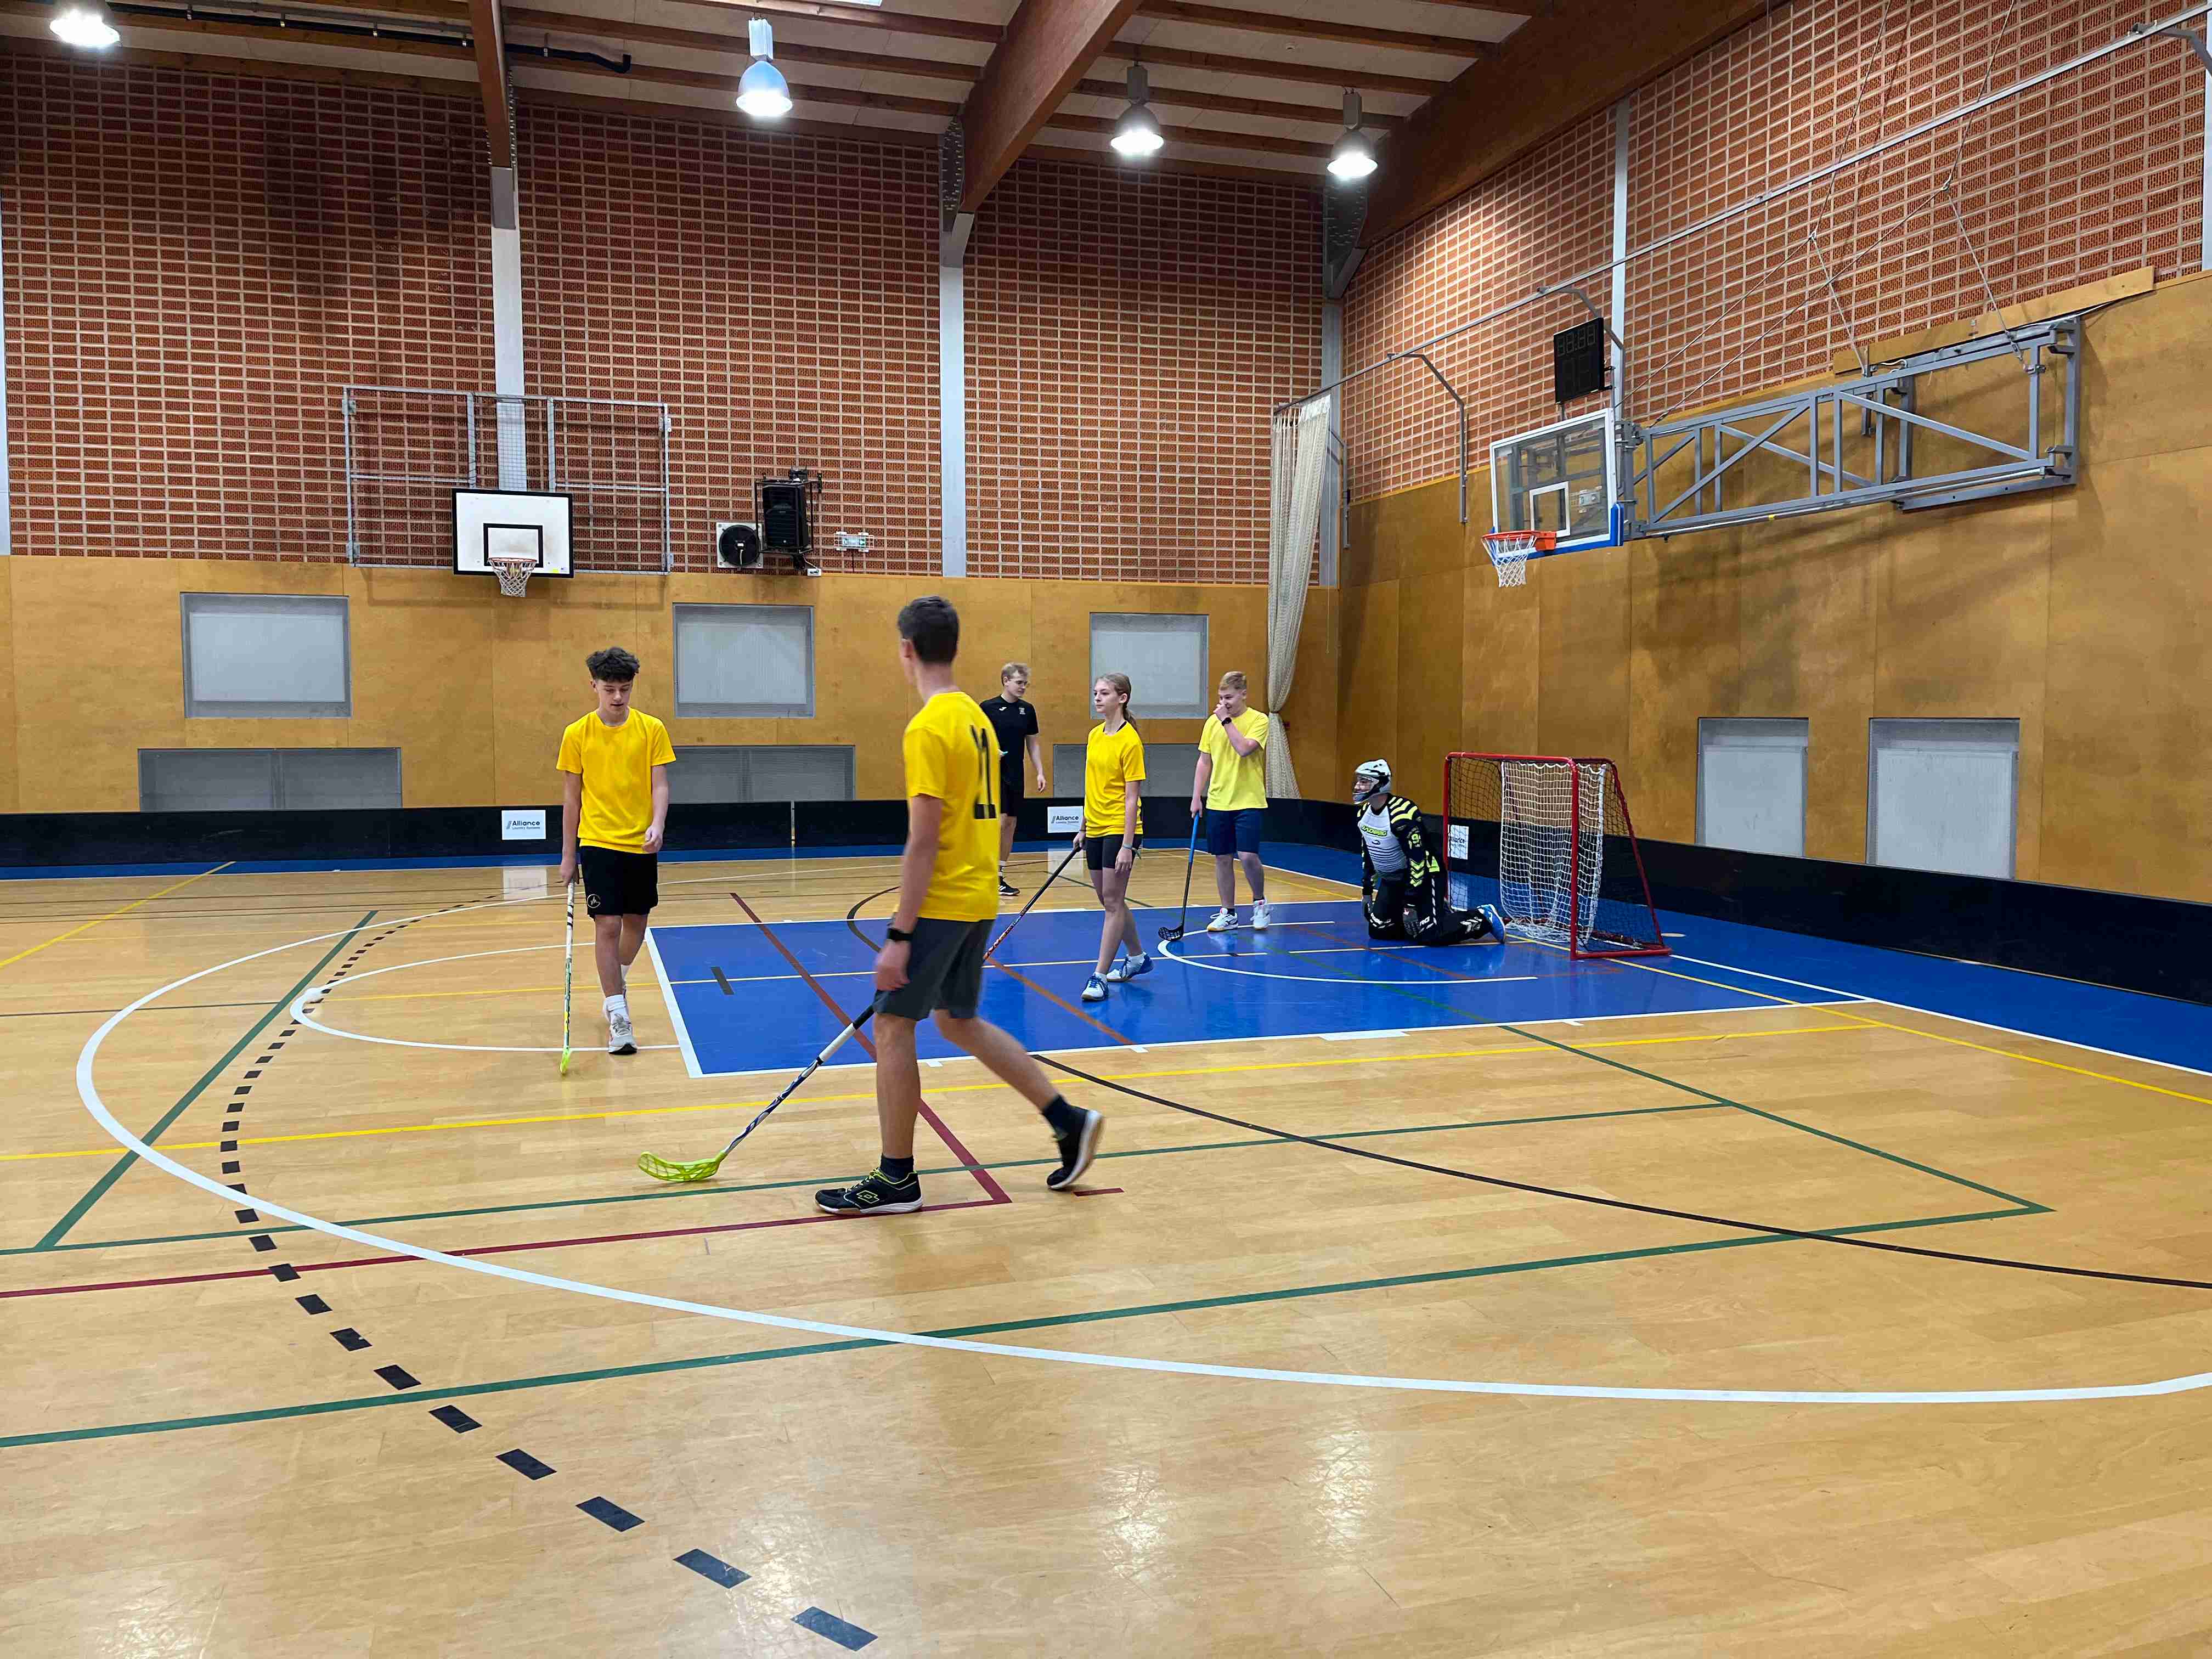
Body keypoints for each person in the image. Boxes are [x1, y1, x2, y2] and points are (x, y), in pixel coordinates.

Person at [815, 596, 1104, 1216]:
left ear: (906, 649)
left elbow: (923, 840)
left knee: (893, 1026)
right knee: (957, 1021)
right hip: (978, 896)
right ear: (955, 646)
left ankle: (896, 1178)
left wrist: (899, 935)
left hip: (944, 899)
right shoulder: (976, 717)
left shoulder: (928, 727)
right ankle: (1067, 1120)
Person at [556, 646, 674, 1056]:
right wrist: (568, 855)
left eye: (625, 689)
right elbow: (572, 799)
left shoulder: (651, 729)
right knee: (607, 925)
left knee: (636, 924)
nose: (618, 697)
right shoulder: (577, 734)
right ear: (594, 686)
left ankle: (615, 982)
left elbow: (660, 783)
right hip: (598, 842)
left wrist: (658, 823)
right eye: (610, 689)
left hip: (640, 843)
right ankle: (619, 1016)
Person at [1351, 758, 1505, 947]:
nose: (1357, 786)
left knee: (1431, 935)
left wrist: (1410, 905)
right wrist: (1367, 891)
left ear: (1381, 784)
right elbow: (1368, 854)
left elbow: (1418, 861)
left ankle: (1483, 917)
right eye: (1358, 781)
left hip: (1425, 875)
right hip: (1394, 879)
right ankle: (1436, 915)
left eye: (1364, 782)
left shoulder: (1402, 814)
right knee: (1379, 930)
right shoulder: (1363, 815)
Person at [1079, 673, 1147, 1002]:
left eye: (1104, 693)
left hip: (1120, 828)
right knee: (1109, 900)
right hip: (1095, 826)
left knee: (1113, 902)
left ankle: (1099, 976)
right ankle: (1137, 957)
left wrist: (1127, 846)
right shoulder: (1094, 736)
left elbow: (1132, 798)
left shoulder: (1130, 741)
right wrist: (1083, 826)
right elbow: (1090, 785)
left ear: (1122, 698)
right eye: (1096, 693)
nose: (1097, 698)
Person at [1190, 670, 1270, 932]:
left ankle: (1260, 903)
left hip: (1249, 800)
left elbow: (1245, 749)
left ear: (1243, 694)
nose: (1224, 703)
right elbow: (1204, 761)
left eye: (1229, 698)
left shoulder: (1259, 720)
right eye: (1221, 698)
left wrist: (1226, 721)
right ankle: (1229, 913)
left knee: (1247, 856)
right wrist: (1196, 796)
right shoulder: (1211, 724)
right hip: (1218, 801)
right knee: (1222, 858)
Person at [979, 662, 1047, 899]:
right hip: (992, 774)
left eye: (1025, 683)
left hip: (1016, 774)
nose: (1023, 687)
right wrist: (990, 750)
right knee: (998, 822)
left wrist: (1040, 771)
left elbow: (1033, 743)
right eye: (1019, 682)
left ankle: (998, 876)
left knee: (1010, 824)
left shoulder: (1027, 710)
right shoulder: (987, 707)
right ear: (1006, 681)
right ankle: (986, 874)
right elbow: (975, 739)